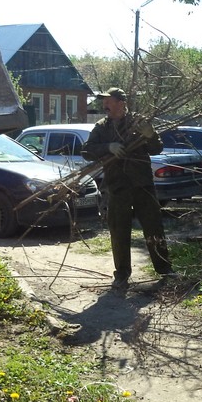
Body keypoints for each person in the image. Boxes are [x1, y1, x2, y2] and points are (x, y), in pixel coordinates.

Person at [82, 88, 174, 291]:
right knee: (119, 231)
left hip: (143, 185)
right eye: (104, 101)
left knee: (153, 228)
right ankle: (122, 275)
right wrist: (108, 147)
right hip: (117, 187)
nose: (104, 105)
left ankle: (165, 269)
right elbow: (87, 151)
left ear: (121, 103)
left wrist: (150, 135)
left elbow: (156, 148)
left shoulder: (138, 122)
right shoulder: (102, 128)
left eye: (108, 101)